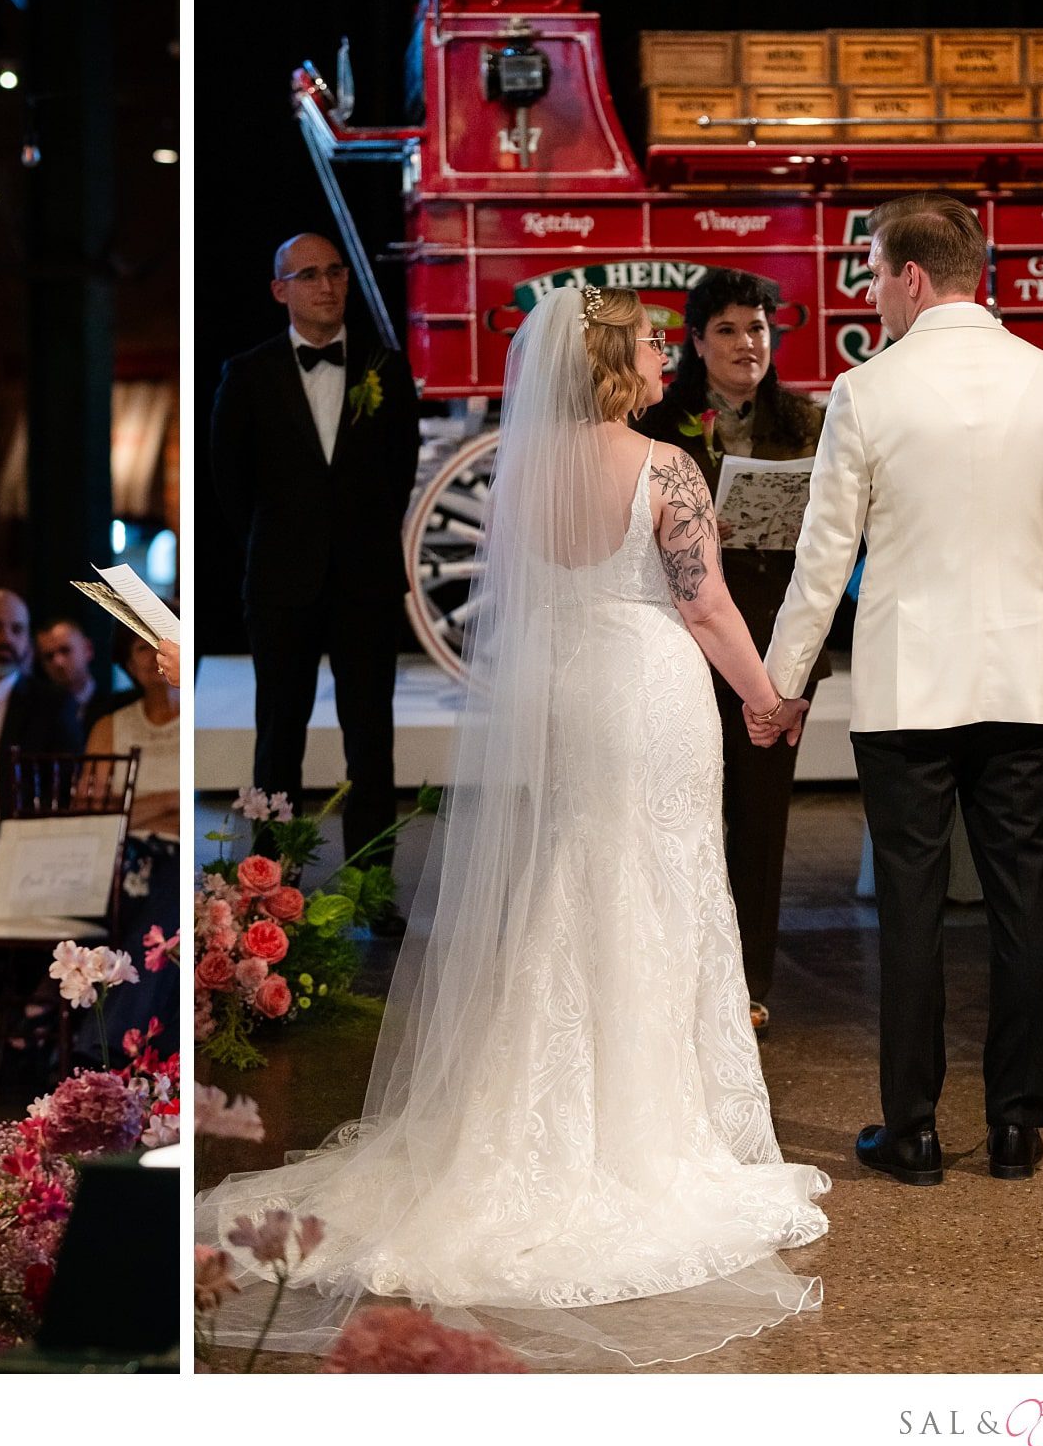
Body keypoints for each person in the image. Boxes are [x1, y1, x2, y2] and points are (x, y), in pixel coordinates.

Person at [196, 286, 829, 1369]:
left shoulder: (523, 474)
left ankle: (538, 1107)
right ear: (613, 364)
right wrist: (766, 698)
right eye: (644, 341)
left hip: (566, 694)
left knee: (570, 885)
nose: (657, 351)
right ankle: (648, 1123)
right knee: (657, 882)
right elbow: (706, 604)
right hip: (647, 691)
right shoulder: (663, 467)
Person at [764, 194, 1043, 1186]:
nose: (871, 292)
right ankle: (1015, 1128)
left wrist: (782, 684)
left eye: (872, 274)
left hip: (909, 691)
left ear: (910, 276)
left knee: (909, 910)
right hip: (1023, 681)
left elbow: (822, 558)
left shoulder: (866, 393)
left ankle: (909, 1132)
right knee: (1018, 902)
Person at [637, 269, 825, 1034]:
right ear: (695, 340)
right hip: (684, 643)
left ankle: (749, 982)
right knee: (678, 814)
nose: (748, 344)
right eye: (729, 330)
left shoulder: (807, 422)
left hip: (772, 645)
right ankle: (671, 973)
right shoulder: (661, 415)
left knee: (760, 816)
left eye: (758, 328)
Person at [209, 232, 420, 904]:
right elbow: (229, 481)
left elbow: (401, 473)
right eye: (309, 275)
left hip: (367, 580)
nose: (326, 285)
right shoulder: (247, 374)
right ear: (281, 289)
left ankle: (371, 883)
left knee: (372, 740)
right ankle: (269, 884)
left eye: (335, 273)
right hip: (281, 582)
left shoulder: (387, 368)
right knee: (278, 739)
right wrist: (282, 543)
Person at [84, 629, 181, 1051]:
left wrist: (136, 805)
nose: (153, 655)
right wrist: (169, 802)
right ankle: (141, 1043)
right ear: (127, 663)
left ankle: (109, 1039)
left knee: (171, 887)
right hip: (121, 855)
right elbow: (93, 810)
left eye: (161, 642)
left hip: (179, 852)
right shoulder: (110, 726)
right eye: (142, 646)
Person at [0, 588, 83, 830]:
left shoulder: (54, 704)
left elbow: (65, 788)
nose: (6, 639)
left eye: (17, 630)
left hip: (25, 842)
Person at [38, 617, 136, 733]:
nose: (58, 662)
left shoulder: (120, 706)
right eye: (49, 656)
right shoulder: (38, 713)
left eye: (65, 650)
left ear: (87, 649)